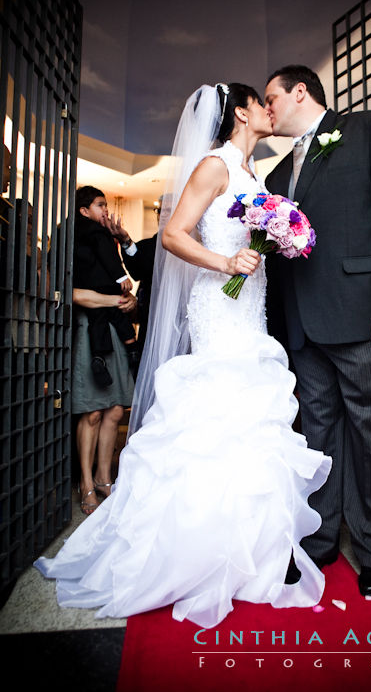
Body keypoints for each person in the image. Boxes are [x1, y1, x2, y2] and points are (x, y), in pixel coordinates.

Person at [34, 83, 332, 629]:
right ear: (240, 112)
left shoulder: (250, 177)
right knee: (214, 421)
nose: (271, 110)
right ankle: (194, 552)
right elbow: (172, 234)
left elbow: (251, 242)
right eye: (261, 102)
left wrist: (276, 242)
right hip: (219, 314)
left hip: (249, 312)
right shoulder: (214, 166)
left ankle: (249, 554)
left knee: (249, 424)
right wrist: (224, 264)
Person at [264, 65, 371, 600]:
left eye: (271, 99)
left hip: (363, 318)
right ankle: (321, 540)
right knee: (318, 437)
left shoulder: (369, 129)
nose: (267, 111)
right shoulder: (276, 176)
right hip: (304, 328)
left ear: (299, 91)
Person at [71, 287, 136, 514]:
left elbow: (126, 298)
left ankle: (103, 477)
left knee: (116, 410)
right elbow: (75, 294)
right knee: (93, 412)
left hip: (114, 331)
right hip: (87, 329)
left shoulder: (114, 262)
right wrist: (116, 300)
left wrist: (130, 301)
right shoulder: (80, 254)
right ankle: (86, 481)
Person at [74, 186, 140, 385]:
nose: (105, 210)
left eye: (106, 205)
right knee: (120, 317)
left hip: (89, 288)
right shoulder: (97, 231)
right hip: (106, 286)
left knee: (98, 321)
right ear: (84, 211)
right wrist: (121, 277)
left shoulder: (73, 230)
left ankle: (98, 358)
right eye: (100, 205)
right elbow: (109, 257)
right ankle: (133, 350)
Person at [105, 212, 157, 357]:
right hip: (152, 315)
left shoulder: (197, 243)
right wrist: (126, 240)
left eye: (168, 209)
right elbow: (137, 271)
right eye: (160, 210)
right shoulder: (148, 246)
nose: (162, 214)